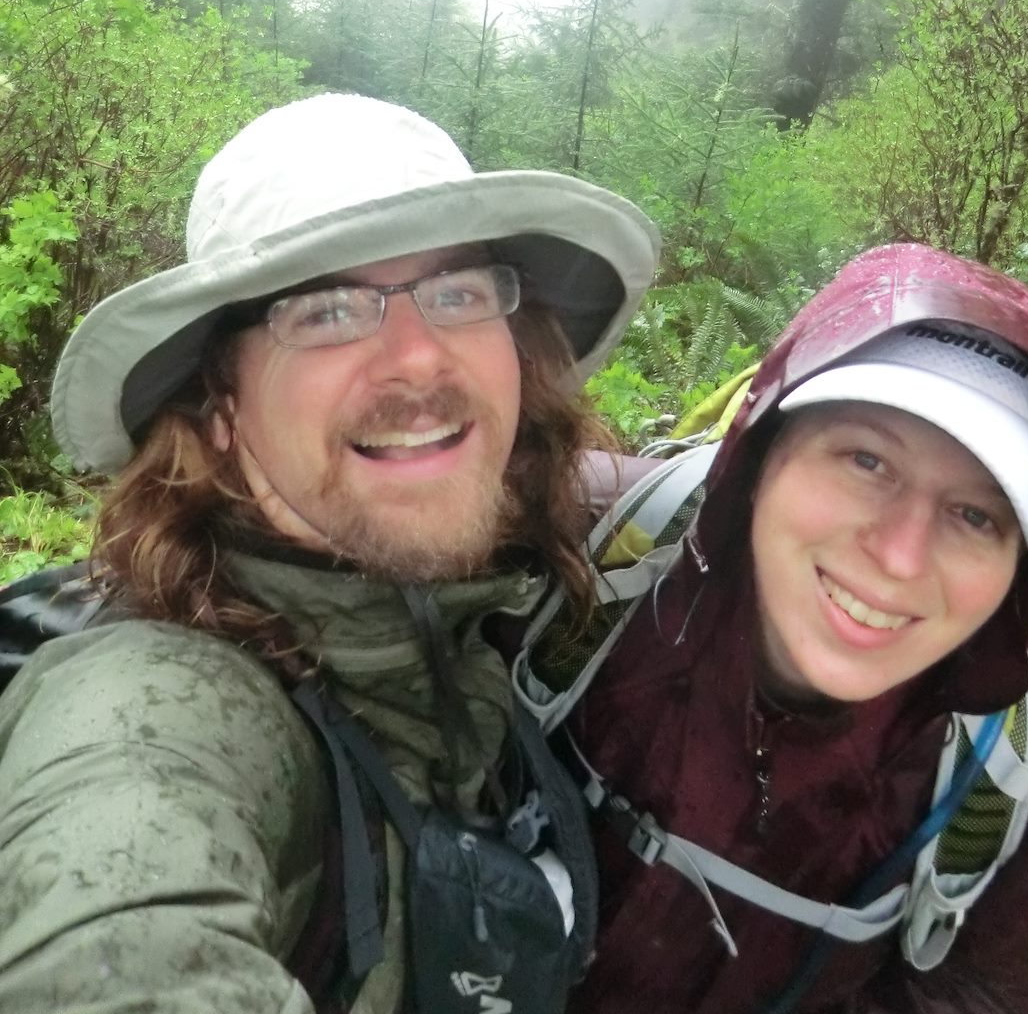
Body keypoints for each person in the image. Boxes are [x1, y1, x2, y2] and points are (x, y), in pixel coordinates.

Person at [0, 91, 659, 1014]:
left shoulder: (515, 614)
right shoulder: (157, 706)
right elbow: (117, 935)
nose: (419, 359)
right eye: (328, 310)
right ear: (218, 409)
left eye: (457, 293)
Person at [564, 244, 1028, 1014]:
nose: (898, 556)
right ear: (758, 454)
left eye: (975, 514)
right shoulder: (588, 550)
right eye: (866, 460)